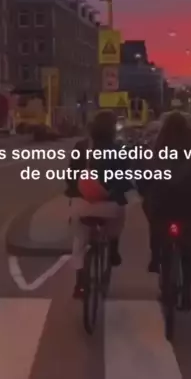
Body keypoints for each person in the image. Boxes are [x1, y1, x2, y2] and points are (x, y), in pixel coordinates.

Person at [138, 111, 191, 311]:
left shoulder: (155, 151)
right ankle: (186, 293)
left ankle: (159, 264)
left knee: (161, 236)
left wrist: (146, 195)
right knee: (188, 249)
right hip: (187, 209)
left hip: (161, 208)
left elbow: (143, 180)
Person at [65, 110, 133, 298]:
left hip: (82, 205)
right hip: (109, 207)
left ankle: (80, 284)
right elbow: (125, 180)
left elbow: (70, 176)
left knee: (79, 240)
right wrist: (115, 192)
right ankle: (113, 250)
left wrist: (74, 191)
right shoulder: (119, 150)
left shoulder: (81, 147)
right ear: (112, 129)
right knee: (119, 217)